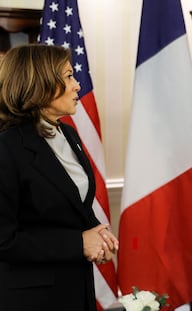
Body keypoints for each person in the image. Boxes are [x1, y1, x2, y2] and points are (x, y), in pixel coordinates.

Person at [0, 44, 119, 311]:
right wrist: (78, 243)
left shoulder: (68, 134)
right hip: (32, 300)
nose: (77, 85)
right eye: (68, 76)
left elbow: (71, 205)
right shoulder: (6, 148)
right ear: (39, 84)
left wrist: (97, 236)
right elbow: (4, 240)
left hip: (77, 288)